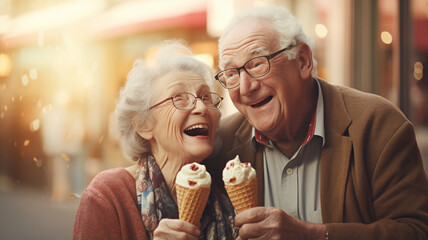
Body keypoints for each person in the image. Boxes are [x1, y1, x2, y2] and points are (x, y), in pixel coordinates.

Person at [206, 6, 428, 240]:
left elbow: (415, 231)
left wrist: (312, 235)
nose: (245, 87)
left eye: (257, 64)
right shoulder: (221, 143)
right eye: (231, 73)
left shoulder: (379, 125)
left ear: (302, 61)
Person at [73, 41, 238, 240]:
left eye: (205, 96)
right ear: (144, 125)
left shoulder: (228, 184)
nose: (201, 108)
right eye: (179, 98)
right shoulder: (108, 196)